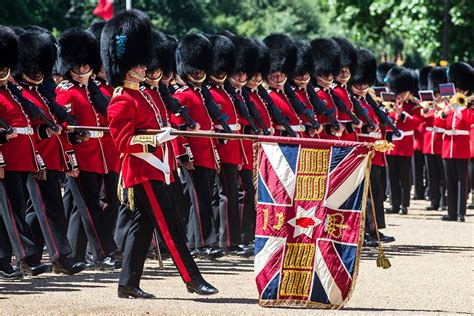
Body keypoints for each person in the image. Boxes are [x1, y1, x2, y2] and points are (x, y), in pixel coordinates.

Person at [102, 9, 218, 298]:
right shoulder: (121, 100)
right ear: (127, 67)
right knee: (171, 227)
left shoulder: (144, 94)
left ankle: (127, 284)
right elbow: (123, 142)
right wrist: (155, 138)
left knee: (141, 228)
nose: (145, 68)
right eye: (139, 65)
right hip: (142, 171)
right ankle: (192, 279)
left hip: (157, 168)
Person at [14, 27, 86, 275]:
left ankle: (31, 257)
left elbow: (57, 119)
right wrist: (45, 133)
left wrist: (72, 134)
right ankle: (61, 257)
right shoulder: (22, 94)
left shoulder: (42, 94)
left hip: (51, 157)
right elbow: (27, 127)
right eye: (33, 69)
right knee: (48, 209)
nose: (37, 73)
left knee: (38, 211)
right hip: (36, 159)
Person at [55, 28, 118, 268]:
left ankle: (76, 254)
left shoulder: (91, 91)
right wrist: (70, 159)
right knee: (89, 208)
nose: (82, 71)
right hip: (80, 158)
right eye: (77, 68)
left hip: (99, 157)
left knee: (90, 207)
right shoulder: (66, 92)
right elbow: (63, 129)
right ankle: (102, 253)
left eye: (86, 67)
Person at [170, 33, 223, 259]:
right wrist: (184, 154)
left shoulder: (201, 94)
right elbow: (178, 128)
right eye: (195, 70)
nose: (199, 74)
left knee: (203, 199)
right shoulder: (183, 96)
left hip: (207, 154)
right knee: (198, 200)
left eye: (201, 70)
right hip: (194, 157)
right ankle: (202, 243)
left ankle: (196, 241)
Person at [350, 48, 395, 246]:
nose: (362, 86)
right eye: (358, 83)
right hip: (362, 153)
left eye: (365, 83)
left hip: (374, 153)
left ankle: (375, 229)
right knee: (365, 194)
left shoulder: (368, 100)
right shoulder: (351, 102)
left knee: (376, 193)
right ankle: (366, 231)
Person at [438, 62, 474, 222]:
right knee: (450, 181)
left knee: (461, 182)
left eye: (460, 90)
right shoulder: (448, 105)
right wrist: (446, 112)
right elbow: (438, 124)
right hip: (447, 147)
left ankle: (461, 213)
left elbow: (468, 122)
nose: (458, 92)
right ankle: (451, 212)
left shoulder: (468, 108)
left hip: (461, 148)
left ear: (466, 91)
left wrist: (461, 108)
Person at [385, 66, 421, 215]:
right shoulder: (392, 104)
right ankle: (394, 204)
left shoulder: (414, 106)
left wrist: (403, 114)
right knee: (392, 176)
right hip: (392, 145)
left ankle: (404, 205)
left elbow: (416, 123)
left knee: (404, 178)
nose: (400, 95)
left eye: (402, 92)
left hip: (405, 145)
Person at [263, 34, 304, 137]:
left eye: (281, 75)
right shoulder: (269, 96)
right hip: (282, 139)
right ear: (268, 76)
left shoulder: (291, 94)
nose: (278, 79)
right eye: (275, 76)